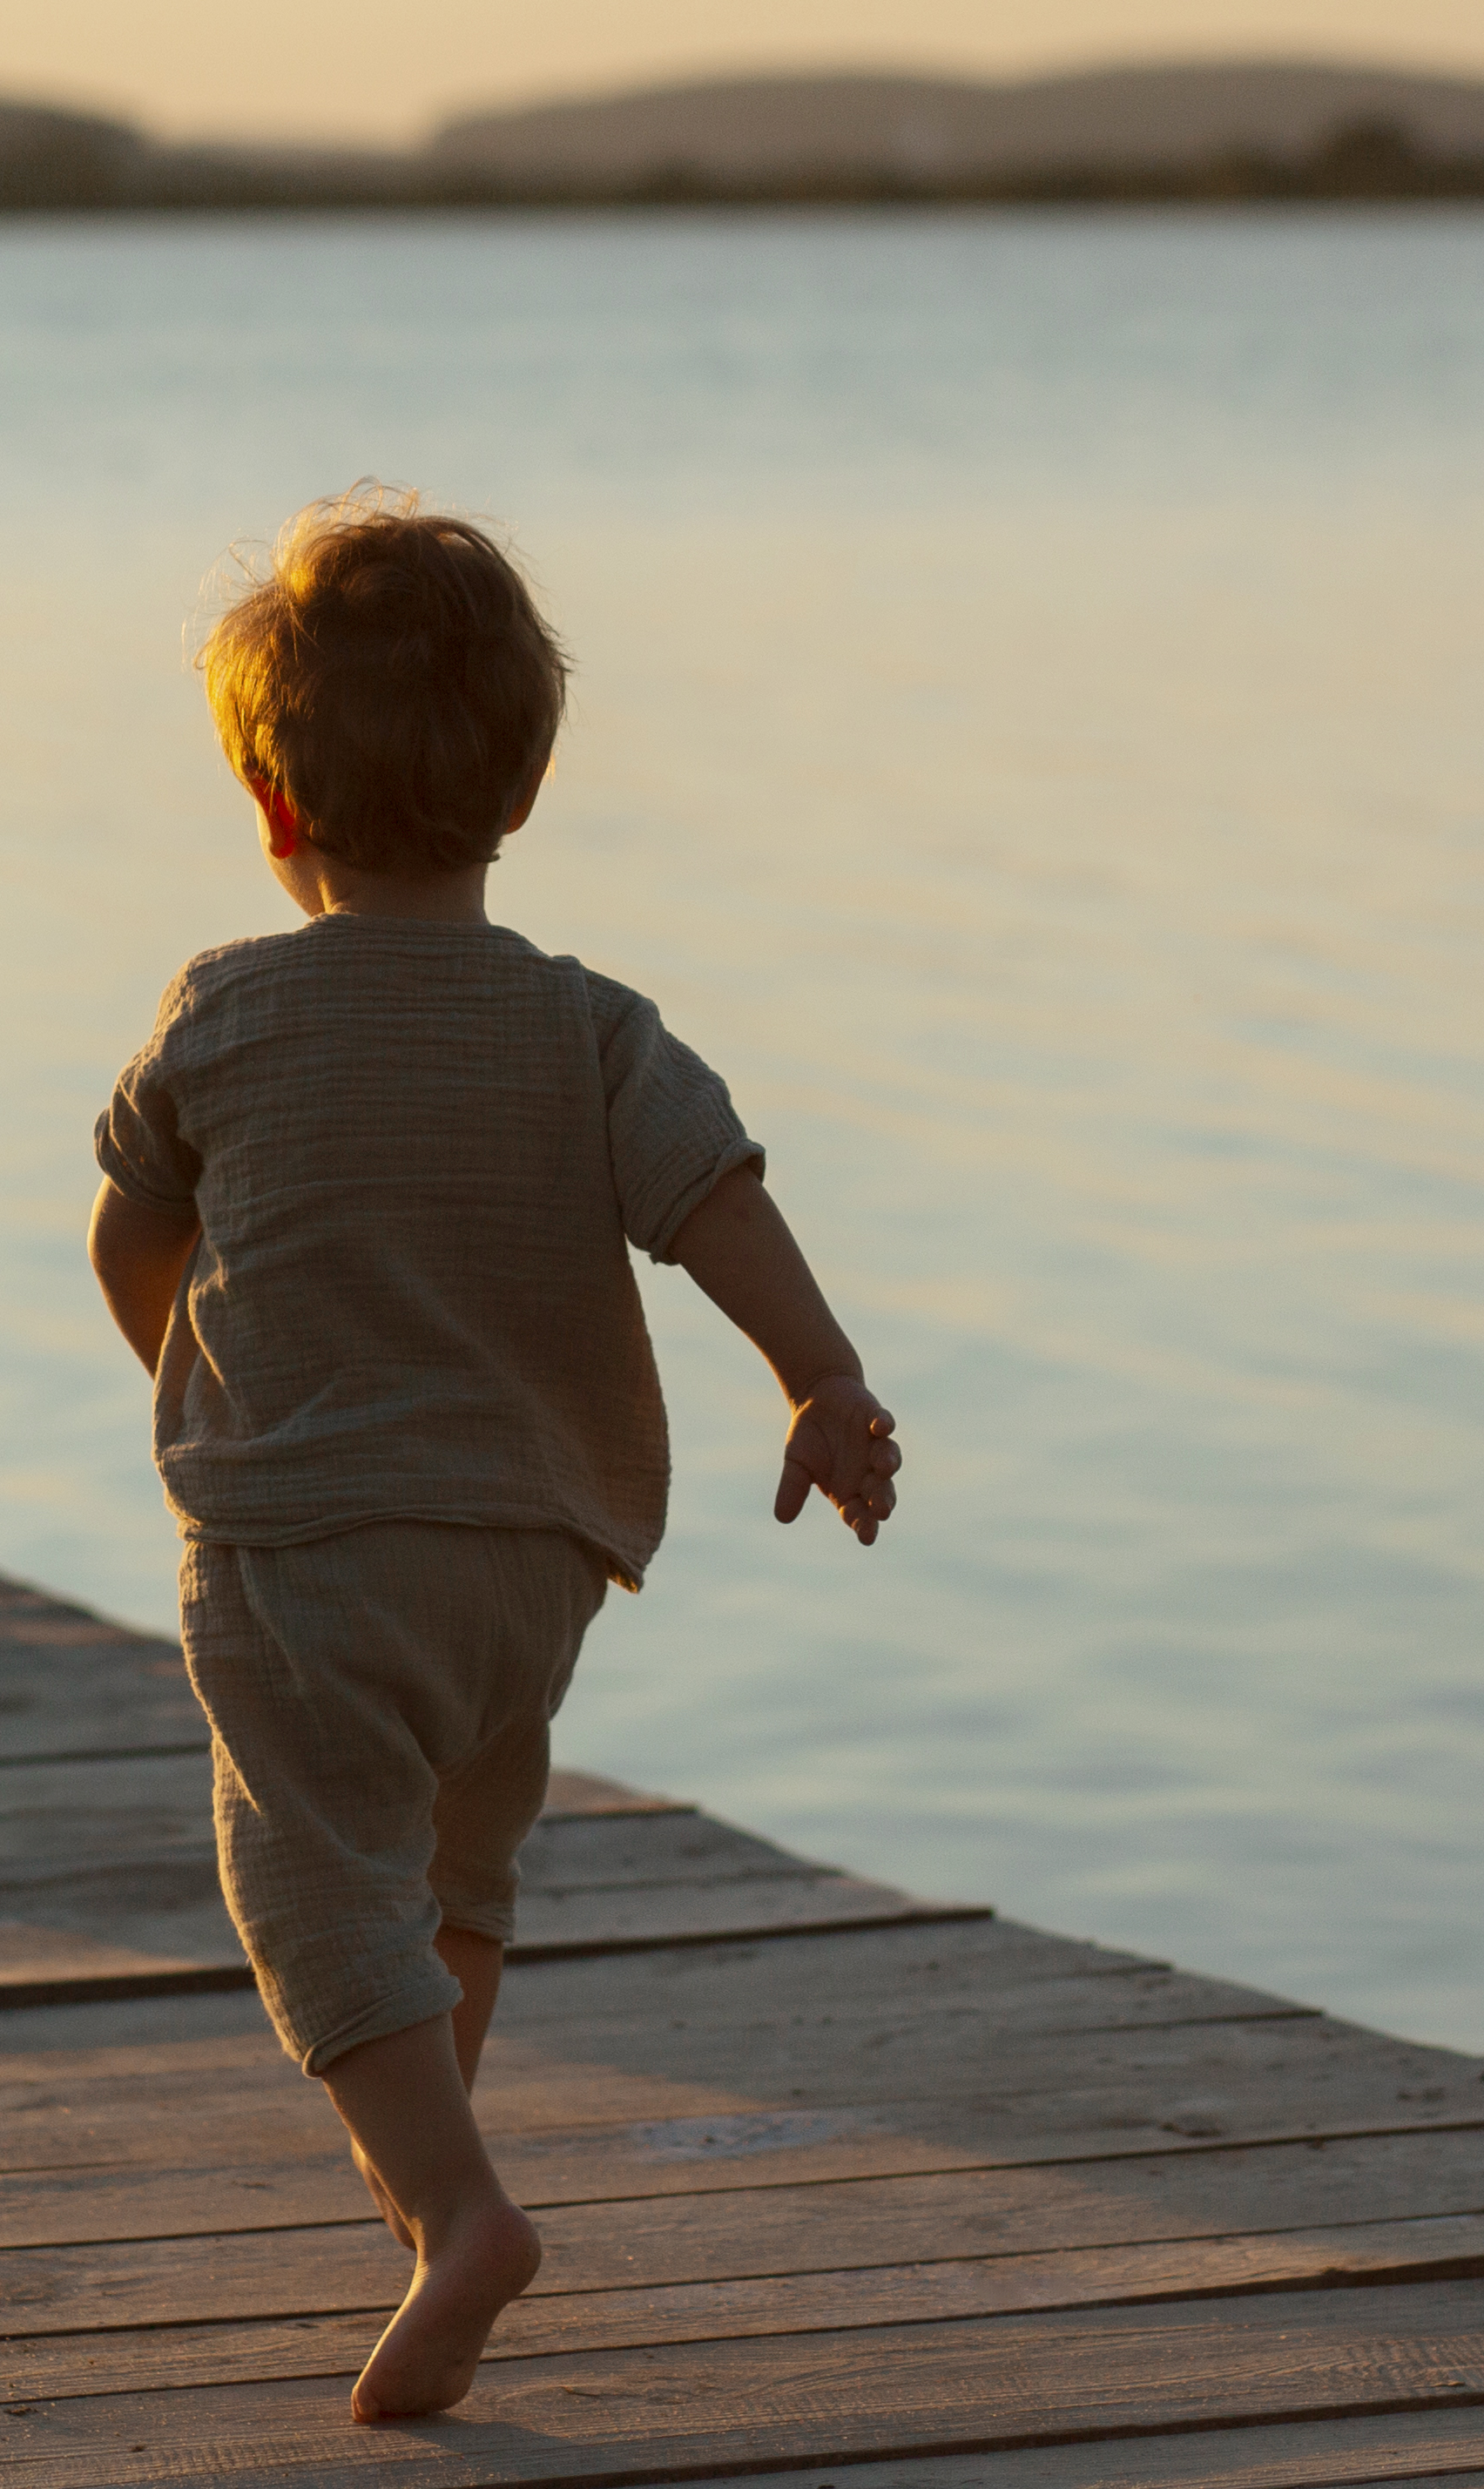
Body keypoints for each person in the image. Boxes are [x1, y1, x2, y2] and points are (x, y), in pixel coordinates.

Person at [84, 489, 901, 2422]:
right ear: (518, 785)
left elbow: (131, 1229)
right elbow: (717, 1200)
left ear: (271, 808)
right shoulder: (585, 1028)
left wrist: (185, 1374)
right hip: (533, 1555)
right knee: (457, 1857)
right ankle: (429, 2191)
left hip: (306, 1548)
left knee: (306, 1883)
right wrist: (822, 1380)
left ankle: (456, 2212)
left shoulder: (221, 1009)